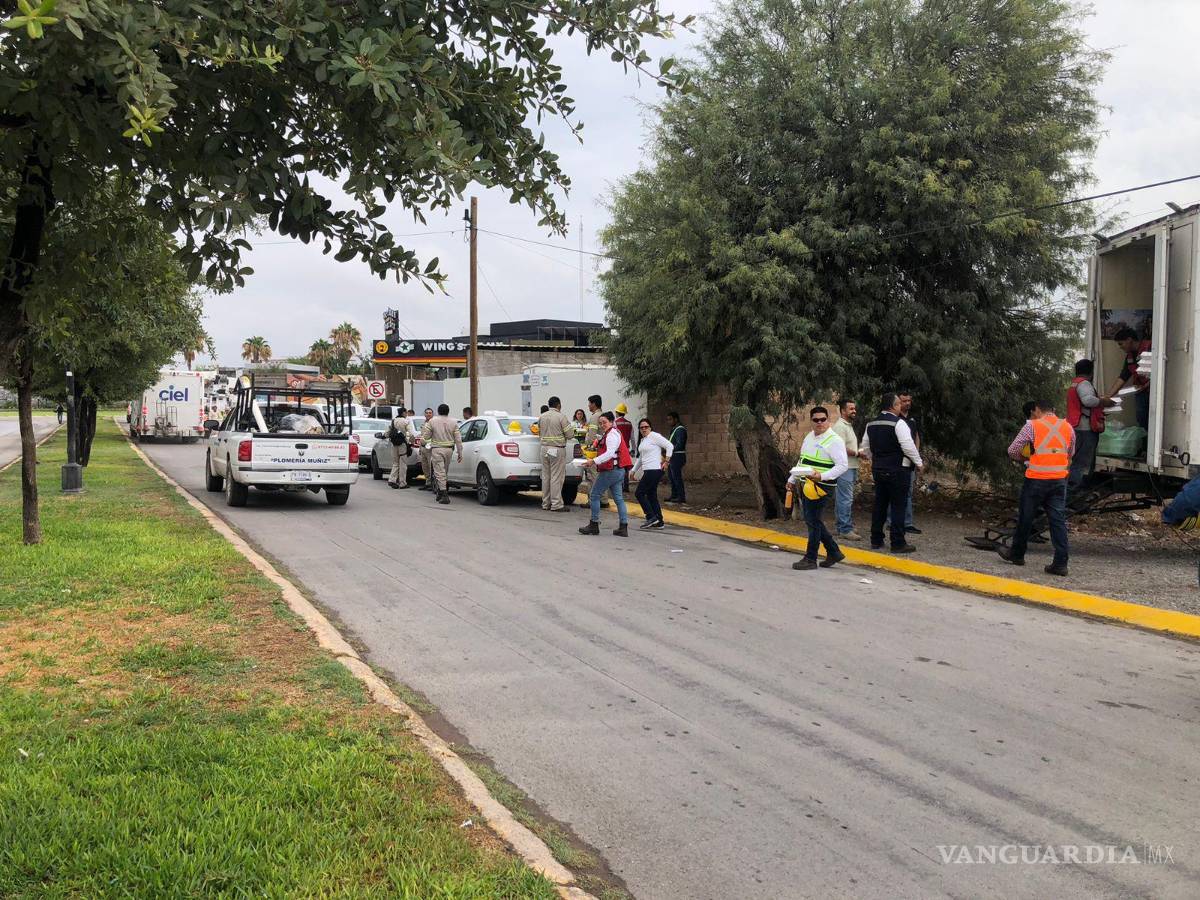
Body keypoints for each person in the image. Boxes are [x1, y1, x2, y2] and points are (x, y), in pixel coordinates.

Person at [999, 400, 1075, 576]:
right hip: (1058, 480)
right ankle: (1060, 563)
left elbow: (1013, 450)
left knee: (1026, 517)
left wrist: (1026, 459)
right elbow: (1070, 452)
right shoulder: (1068, 427)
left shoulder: (1032, 426)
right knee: (1057, 521)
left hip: (1036, 479)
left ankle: (1017, 554)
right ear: (1054, 410)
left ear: (1038, 409)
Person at [860, 393, 922, 553]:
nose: (901, 406)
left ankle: (876, 540)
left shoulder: (871, 424)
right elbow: (908, 446)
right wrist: (919, 463)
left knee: (880, 504)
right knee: (898, 506)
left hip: (878, 470)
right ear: (893, 406)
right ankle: (898, 543)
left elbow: (865, 447)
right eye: (899, 404)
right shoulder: (899, 423)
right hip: (898, 470)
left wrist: (876, 458)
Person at [790, 407, 849, 571]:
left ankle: (810, 558)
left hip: (821, 486)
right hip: (807, 485)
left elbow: (843, 465)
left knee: (813, 521)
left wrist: (822, 476)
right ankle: (833, 552)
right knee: (813, 520)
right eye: (816, 420)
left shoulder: (834, 440)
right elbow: (802, 461)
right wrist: (792, 479)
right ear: (811, 421)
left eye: (823, 419)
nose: (820, 423)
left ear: (828, 420)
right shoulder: (809, 437)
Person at [578, 412, 631, 536]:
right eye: (600, 423)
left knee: (595, 495)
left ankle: (594, 524)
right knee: (618, 499)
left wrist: (593, 461)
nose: (602, 425)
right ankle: (623, 527)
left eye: (605, 422)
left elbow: (609, 453)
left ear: (612, 422)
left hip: (610, 471)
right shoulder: (612, 433)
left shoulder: (612, 435)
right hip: (618, 470)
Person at [1066, 359, 1115, 491]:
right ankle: (1075, 494)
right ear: (1091, 372)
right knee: (1083, 464)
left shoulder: (1074, 384)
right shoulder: (1085, 384)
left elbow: (1082, 406)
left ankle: (1072, 493)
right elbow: (1087, 401)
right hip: (1085, 429)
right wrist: (1104, 402)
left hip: (1076, 427)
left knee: (1077, 462)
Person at [1107, 327, 1152, 430]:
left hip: (1154, 391)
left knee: (1155, 417)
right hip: (1141, 392)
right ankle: (1145, 442)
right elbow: (1122, 378)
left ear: (1129, 340)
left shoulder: (1149, 347)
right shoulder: (1129, 357)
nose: (1120, 347)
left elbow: (1159, 370)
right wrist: (1108, 396)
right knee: (1142, 418)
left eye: (1121, 343)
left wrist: (1148, 384)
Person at [632, 418, 672, 529]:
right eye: (641, 427)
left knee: (639, 493)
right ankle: (659, 521)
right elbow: (641, 458)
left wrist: (667, 462)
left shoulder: (654, 436)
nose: (644, 429)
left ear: (650, 427)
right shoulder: (643, 440)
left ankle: (651, 517)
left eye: (646, 427)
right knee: (651, 495)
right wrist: (633, 470)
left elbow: (670, 446)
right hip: (648, 470)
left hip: (654, 470)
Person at [537, 396, 575, 512]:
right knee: (556, 477)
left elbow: (539, 430)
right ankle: (556, 504)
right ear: (558, 405)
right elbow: (570, 435)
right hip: (557, 449)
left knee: (546, 476)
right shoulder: (561, 417)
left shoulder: (541, 417)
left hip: (544, 449)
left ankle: (546, 503)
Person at [421, 404, 463, 504]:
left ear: (438, 411)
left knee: (439, 472)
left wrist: (423, 440)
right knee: (444, 471)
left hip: (437, 449)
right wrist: (460, 452)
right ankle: (440, 492)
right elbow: (458, 438)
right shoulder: (453, 422)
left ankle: (444, 494)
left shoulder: (433, 421)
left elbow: (426, 436)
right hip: (449, 450)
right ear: (448, 411)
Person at [831, 399, 861, 540]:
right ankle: (845, 529)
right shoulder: (840, 427)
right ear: (843, 411)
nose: (854, 411)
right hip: (845, 467)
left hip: (851, 466)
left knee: (843, 498)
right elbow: (840, 447)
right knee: (845, 499)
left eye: (854, 408)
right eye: (850, 409)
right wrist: (857, 453)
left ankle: (841, 526)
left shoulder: (847, 425)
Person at [898, 391, 921, 534]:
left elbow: (916, 437)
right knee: (897, 492)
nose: (907, 403)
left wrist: (916, 455)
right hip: (899, 462)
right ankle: (895, 521)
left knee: (908, 493)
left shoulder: (912, 419)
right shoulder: (895, 419)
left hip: (911, 461)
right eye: (904, 401)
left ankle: (907, 522)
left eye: (909, 401)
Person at [581, 394, 608, 508]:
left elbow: (591, 437)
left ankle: (593, 501)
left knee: (592, 476)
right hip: (603, 450)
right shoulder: (604, 416)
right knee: (601, 475)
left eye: (589, 403)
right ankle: (604, 500)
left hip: (594, 451)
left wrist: (585, 442)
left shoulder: (594, 417)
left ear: (594, 404)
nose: (588, 406)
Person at [387, 408, 417, 489]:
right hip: (402, 444)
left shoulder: (393, 421)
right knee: (403, 463)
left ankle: (392, 480)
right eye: (406, 412)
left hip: (394, 444)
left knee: (395, 463)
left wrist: (384, 436)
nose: (407, 414)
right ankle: (402, 483)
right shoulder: (405, 421)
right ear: (403, 413)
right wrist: (411, 443)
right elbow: (411, 434)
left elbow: (388, 432)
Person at [665, 412, 687, 504]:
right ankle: (674, 495)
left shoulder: (680, 430)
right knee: (671, 476)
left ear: (676, 419)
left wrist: (670, 449)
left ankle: (681, 497)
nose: (668, 421)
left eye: (670, 419)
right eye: (668, 419)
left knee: (676, 477)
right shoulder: (675, 429)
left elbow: (680, 444)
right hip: (673, 456)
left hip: (678, 456)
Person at [614, 402, 635, 492]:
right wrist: (633, 449)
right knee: (625, 468)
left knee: (617, 467)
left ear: (617, 412)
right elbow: (632, 438)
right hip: (626, 448)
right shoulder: (629, 424)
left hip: (617, 449)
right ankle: (625, 487)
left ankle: (617, 486)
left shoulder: (615, 423)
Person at [417, 407, 435, 490]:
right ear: (424, 414)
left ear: (432, 414)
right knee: (424, 466)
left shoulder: (433, 423)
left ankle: (432, 483)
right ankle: (427, 482)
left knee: (431, 466)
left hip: (430, 448)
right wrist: (420, 448)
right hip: (423, 447)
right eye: (427, 413)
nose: (428, 414)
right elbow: (422, 436)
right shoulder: (424, 423)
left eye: (430, 413)